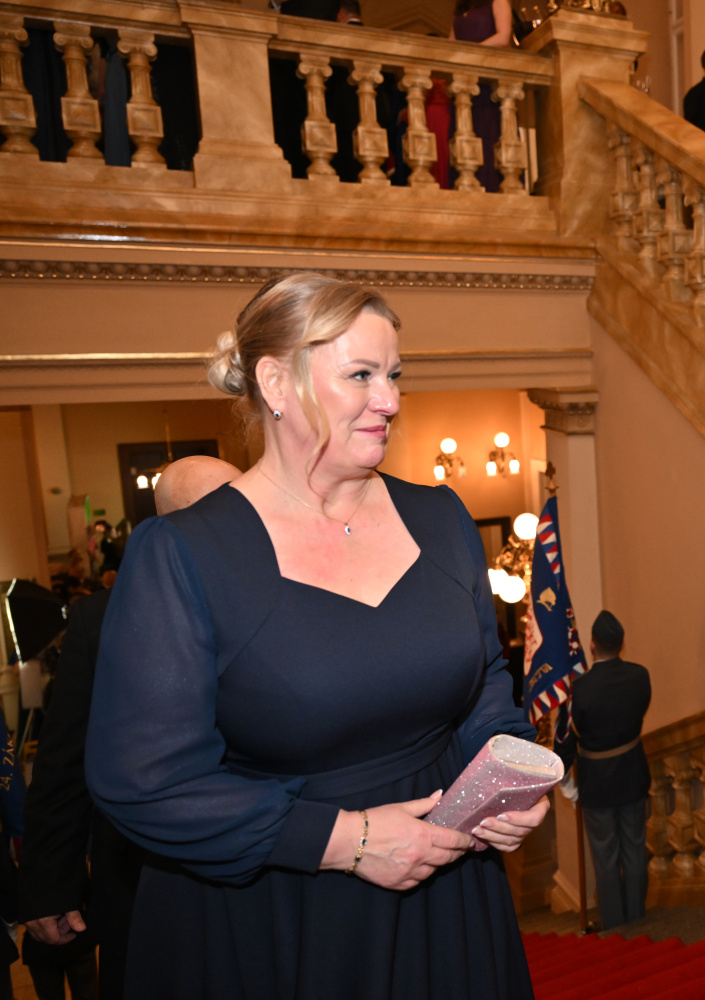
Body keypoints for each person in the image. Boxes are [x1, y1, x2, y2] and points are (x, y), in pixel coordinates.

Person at [85, 272, 550, 1000]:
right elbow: (142, 781)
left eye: (394, 375)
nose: (389, 400)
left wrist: (506, 772)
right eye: (360, 375)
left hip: (447, 895)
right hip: (282, 911)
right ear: (275, 382)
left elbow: (483, 685)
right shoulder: (183, 553)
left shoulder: (440, 517)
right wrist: (348, 842)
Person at [20, 457, 239, 1000]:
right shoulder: (102, 618)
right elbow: (66, 760)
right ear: (169, 529)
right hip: (140, 875)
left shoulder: (292, 597)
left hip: (262, 866)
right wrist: (51, 884)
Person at [555, 611, 652, 930]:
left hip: (596, 783)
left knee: (605, 856)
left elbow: (565, 741)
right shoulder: (640, 676)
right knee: (635, 849)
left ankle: (614, 925)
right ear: (622, 644)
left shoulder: (577, 690)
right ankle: (637, 918)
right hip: (633, 775)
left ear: (592, 645)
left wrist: (567, 785)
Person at [452, 0, 515, 192]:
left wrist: (469, 54)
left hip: (487, 84)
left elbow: (503, 37)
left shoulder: (497, 1)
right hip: (463, 86)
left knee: (488, 135)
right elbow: (449, 46)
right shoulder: (462, 9)